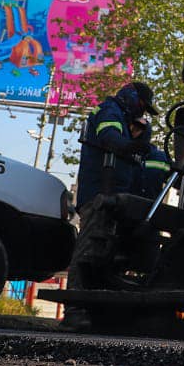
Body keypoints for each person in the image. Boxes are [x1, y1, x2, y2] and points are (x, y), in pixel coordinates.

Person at [66, 82, 158, 327]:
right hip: (99, 195)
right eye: (142, 106)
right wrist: (129, 145)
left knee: (106, 252)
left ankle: (95, 309)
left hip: (115, 197)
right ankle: (75, 308)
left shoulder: (125, 122)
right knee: (88, 249)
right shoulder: (109, 111)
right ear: (131, 96)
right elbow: (109, 138)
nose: (142, 113)